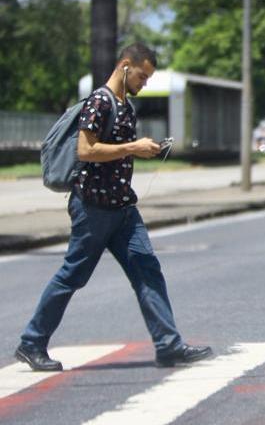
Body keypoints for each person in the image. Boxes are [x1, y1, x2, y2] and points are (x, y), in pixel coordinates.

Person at [14, 43, 212, 371]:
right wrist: (133, 146)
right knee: (72, 275)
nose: (144, 83)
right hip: (93, 207)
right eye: (142, 75)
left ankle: (169, 345)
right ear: (124, 66)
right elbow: (86, 150)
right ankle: (31, 342)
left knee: (147, 270)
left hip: (122, 209)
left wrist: (139, 149)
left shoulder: (126, 107)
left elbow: (114, 150)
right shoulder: (100, 101)